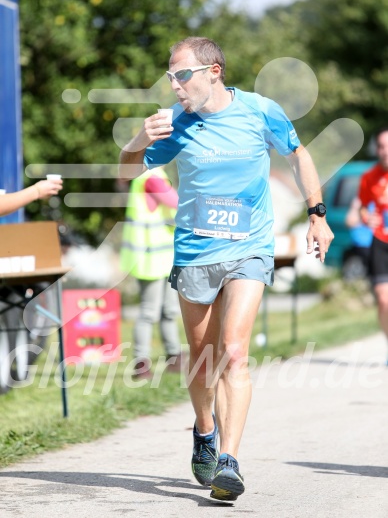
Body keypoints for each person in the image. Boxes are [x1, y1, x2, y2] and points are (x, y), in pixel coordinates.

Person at [119, 37, 333, 501]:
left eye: (182, 75)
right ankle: (203, 430)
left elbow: (299, 155)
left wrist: (317, 214)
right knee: (203, 361)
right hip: (196, 252)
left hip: (249, 247)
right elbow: (126, 177)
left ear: (214, 71)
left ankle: (229, 462)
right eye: (170, 76)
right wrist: (136, 143)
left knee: (234, 352)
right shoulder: (174, 123)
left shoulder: (260, 111)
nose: (174, 85)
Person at [120, 168, 184, 380]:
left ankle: (174, 359)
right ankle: (141, 365)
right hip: (150, 258)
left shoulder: (154, 176)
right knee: (149, 312)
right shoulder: (152, 179)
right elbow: (176, 203)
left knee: (169, 310)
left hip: (163, 257)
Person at [358, 127, 388, 362]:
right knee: (382, 297)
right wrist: (366, 217)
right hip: (380, 241)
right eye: (381, 146)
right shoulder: (369, 177)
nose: (385, 151)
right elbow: (362, 207)